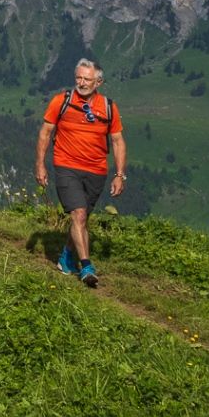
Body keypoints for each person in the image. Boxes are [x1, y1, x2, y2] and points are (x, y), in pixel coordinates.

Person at [35, 58, 126, 287]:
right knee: (78, 214)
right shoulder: (61, 101)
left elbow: (117, 141)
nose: (82, 83)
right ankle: (86, 266)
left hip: (96, 170)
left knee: (83, 218)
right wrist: (40, 164)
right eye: (79, 78)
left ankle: (66, 256)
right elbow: (45, 132)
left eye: (87, 79)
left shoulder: (108, 107)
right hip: (66, 165)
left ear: (98, 82)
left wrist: (119, 174)